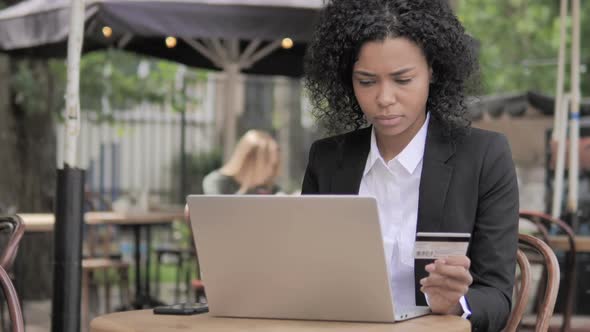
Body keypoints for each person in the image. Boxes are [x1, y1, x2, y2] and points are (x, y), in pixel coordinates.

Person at [301, 1, 518, 331]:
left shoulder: (484, 156)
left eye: (402, 80)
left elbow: (498, 296)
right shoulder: (327, 159)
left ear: (433, 70)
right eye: (367, 81)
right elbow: (306, 274)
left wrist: (457, 304)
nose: (384, 98)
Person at [203, 129, 281, 195]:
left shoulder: (270, 188)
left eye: (274, 165)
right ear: (250, 161)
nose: (271, 171)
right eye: (268, 164)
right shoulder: (217, 182)